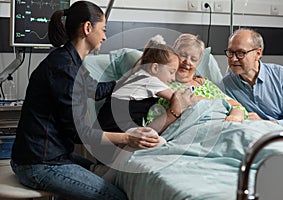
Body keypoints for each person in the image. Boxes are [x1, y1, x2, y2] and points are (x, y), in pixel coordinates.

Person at [10, 2, 195, 199]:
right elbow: (80, 134)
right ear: (88, 28)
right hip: (39, 163)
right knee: (116, 197)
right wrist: (129, 138)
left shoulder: (70, 61)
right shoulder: (65, 69)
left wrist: (126, 79)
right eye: (103, 30)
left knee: (101, 171)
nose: (105, 36)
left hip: (52, 154)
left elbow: (96, 90)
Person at [147, 33, 248, 132]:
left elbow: (237, 106)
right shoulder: (163, 83)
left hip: (223, 126)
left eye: (193, 59)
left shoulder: (205, 84)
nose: (187, 62)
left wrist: (235, 115)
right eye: (183, 55)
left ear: (198, 63)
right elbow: (151, 128)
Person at [97, 35, 180, 133]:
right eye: (171, 72)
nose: (173, 78)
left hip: (104, 122)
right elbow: (177, 96)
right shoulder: (151, 81)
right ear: (155, 68)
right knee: (154, 139)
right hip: (117, 124)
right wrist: (200, 99)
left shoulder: (138, 75)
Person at [222, 28, 283, 130]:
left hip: (281, 137)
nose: (233, 59)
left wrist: (264, 123)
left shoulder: (281, 76)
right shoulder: (226, 85)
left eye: (241, 53)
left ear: (258, 53)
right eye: (230, 52)